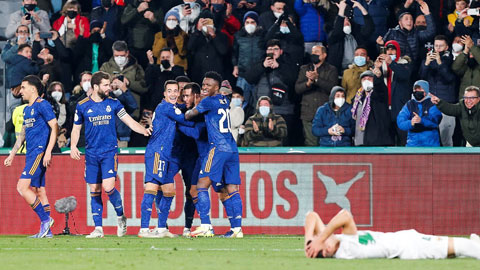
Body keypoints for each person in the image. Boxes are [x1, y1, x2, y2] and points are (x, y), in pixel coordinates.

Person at [70, 71, 150, 238]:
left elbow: (129, 120)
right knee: (94, 189)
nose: (109, 88)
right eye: (106, 85)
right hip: (91, 153)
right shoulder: (82, 105)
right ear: (95, 86)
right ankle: (98, 229)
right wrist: (73, 146)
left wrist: (144, 131)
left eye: (109, 85)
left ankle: (120, 217)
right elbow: (76, 128)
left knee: (108, 187)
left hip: (109, 152)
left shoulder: (114, 103)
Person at [185, 71, 244, 238]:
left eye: (208, 85)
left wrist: (192, 108)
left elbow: (189, 116)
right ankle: (236, 229)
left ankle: (206, 226)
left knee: (201, 186)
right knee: (231, 188)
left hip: (218, 147)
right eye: (203, 85)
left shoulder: (209, 102)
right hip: (232, 148)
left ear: (216, 88)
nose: (204, 88)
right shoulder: (224, 100)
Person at [304, 209, 480, 259]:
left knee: (458, 248)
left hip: (405, 240)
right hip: (409, 248)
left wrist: (311, 240)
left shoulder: (337, 240)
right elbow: (345, 215)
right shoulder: (346, 250)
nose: (324, 248)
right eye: (323, 252)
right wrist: (320, 239)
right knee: (462, 248)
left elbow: (311, 216)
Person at [138, 80, 194, 238]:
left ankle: (162, 228)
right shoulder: (165, 107)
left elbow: (181, 109)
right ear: (164, 94)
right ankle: (143, 229)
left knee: (169, 190)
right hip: (157, 152)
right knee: (151, 188)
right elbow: (185, 119)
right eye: (170, 91)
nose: (173, 94)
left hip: (165, 154)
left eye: (176, 91)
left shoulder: (170, 107)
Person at [3, 75, 57, 238]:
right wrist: (12, 154)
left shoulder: (43, 105)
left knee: (22, 187)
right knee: (39, 191)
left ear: (33, 89)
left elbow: (54, 126)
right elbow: (22, 135)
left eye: (24, 87)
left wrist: (48, 151)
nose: (21, 91)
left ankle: (46, 220)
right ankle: (47, 232)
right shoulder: (27, 110)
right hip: (30, 153)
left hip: (39, 152)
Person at [244, 39, 297, 146]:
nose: (272, 51)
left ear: (281, 51)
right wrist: (262, 66)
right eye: (270, 49)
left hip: (283, 111)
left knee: (283, 142)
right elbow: (249, 78)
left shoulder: (288, 63)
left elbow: (294, 80)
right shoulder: (260, 63)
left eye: (275, 49)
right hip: (261, 111)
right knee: (261, 142)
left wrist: (280, 67)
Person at [295, 45, 338, 146]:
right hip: (308, 113)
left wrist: (317, 80)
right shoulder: (304, 68)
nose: (313, 55)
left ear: (324, 55)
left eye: (317, 52)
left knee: (327, 142)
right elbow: (297, 88)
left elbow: (332, 88)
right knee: (311, 143)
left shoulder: (331, 69)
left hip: (326, 114)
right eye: (312, 53)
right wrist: (309, 83)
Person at [419, 35, 457, 146]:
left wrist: (440, 62)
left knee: (446, 139)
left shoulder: (452, 59)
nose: (437, 48)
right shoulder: (427, 59)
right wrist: (426, 64)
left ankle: (449, 162)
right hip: (430, 103)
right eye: (436, 45)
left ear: (446, 47)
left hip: (447, 103)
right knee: (430, 137)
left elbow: (449, 78)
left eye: (441, 46)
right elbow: (421, 78)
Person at [375, 40, 412, 146]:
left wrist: (391, 63)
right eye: (388, 50)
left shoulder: (405, 64)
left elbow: (404, 75)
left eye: (393, 49)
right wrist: (377, 68)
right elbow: (376, 87)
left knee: (403, 140)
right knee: (387, 142)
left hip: (400, 109)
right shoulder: (381, 66)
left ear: (398, 51)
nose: (390, 52)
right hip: (385, 109)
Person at [100, 40, 147, 118]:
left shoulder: (136, 68)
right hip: (110, 111)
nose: (119, 58)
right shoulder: (106, 67)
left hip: (132, 111)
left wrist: (129, 83)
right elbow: (99, 85)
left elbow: (144, 88)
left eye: (122, 55)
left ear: (127, 53)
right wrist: (113, 80)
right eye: (116, 55)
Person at [326, 0, 373, 74]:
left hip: (359, 69)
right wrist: (341, 11)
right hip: (339, 72)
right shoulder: (334, 36)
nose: (346, 22)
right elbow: (337, 31)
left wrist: (361, 8)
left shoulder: (357, 33)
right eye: (343, 20)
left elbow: (370, 28)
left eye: (347, 19)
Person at [232, 11, 265, 111]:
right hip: (243, 74)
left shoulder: (262, 37)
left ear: (257, 23)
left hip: (259, 75)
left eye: (252, 22)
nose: (249, 24)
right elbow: (234, 53)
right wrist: (235, 66)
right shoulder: (238, 36)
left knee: (257, 104)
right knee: (240, 103)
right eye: (247, 22)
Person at [352, 70, 394, 146]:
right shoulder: (357, 99)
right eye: (364, 79)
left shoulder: (378, 95)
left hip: (377, 141)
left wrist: (378, 77)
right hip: (360, 140)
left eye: (369, 79)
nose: (367, 81)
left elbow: (381, 89)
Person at [397, 80, 442, 147]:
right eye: (415, 89)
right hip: (413, 144)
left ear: (425, 91)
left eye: (420, 89)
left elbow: (436, 121)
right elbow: (400, 122)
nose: (417, 91)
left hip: (430, 144)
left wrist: (421, 121)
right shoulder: (409, 104)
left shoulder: (432, 103)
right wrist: (411, 123)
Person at [121, 0, 164, 68]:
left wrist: (153, 19)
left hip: (150, 47)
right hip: (133, 46)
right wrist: (137, 10)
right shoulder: (132, 5)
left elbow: (162, 28)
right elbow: (123, 21)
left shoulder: (157, 7)